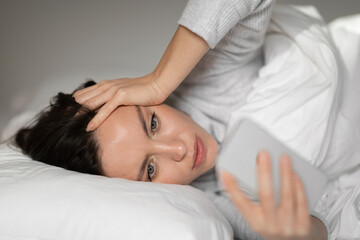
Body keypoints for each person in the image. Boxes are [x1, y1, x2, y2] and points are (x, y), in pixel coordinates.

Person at [15, 0, 330, 239]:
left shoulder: (210, 79)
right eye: (150, 170)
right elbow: (314, 230)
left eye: (153, 123)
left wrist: (158, 80)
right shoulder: (205, 201)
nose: (179, 150)